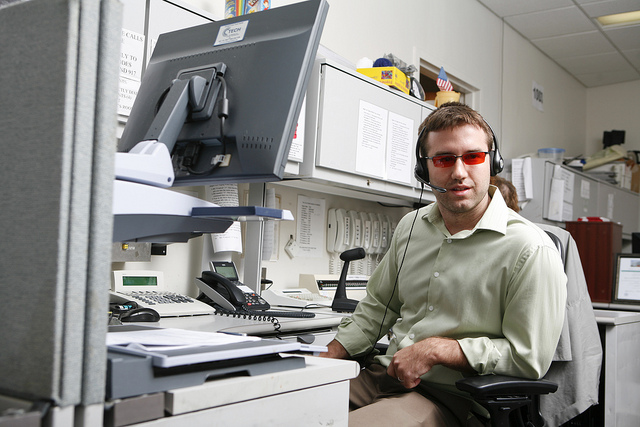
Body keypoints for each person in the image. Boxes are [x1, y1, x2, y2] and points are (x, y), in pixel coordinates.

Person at [321, 102, 567, 427]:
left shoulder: (530, 248)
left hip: (454, 397)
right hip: (384, 375)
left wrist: (439, 350)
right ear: (424, 170)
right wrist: (328, 356)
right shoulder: (412, 227)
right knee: (276, 408)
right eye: (444, 159)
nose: (459, 172)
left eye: (473, 157)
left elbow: (529, 357)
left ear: (491, 161)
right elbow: (378, 307)